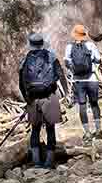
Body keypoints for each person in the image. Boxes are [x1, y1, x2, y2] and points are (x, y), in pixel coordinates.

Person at [19, 32, 69, 168]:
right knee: (50, 128)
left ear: (31, 45)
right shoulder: (51, 57)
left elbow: (21, 83)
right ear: (42, 44)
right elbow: (60, 75)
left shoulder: (25, 59)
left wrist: (27, 99)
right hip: (50, 96)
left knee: (35, 129)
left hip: (33, 99)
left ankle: (36, 162)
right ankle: (49, 161)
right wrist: (66, 93)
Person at [64, 24, 102, 145]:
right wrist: (93, 67)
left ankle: (87, 133)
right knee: (94, 104)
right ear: (84, 35)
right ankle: (98, 130)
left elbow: (66, 62)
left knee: (82, 105)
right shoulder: (90, 45)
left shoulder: (69, 47)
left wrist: (73, 70)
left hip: (78, 81)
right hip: (92, 79)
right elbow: (98, 59)